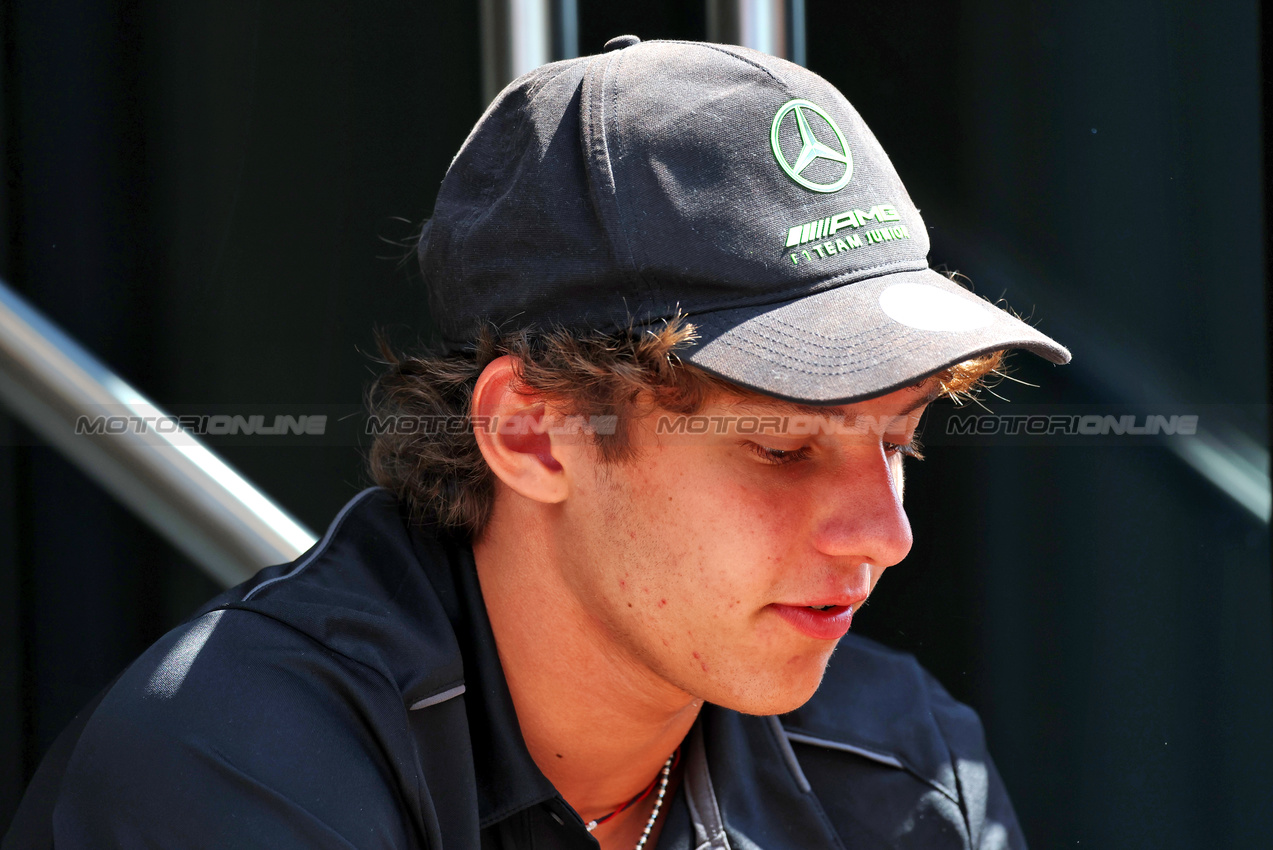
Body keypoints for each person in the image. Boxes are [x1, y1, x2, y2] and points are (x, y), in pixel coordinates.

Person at [5, 36, 1068, 850]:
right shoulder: (233, 763)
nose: (884, 537)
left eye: (897, 440)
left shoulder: (900, 759)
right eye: (783, 448)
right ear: (531, 432)